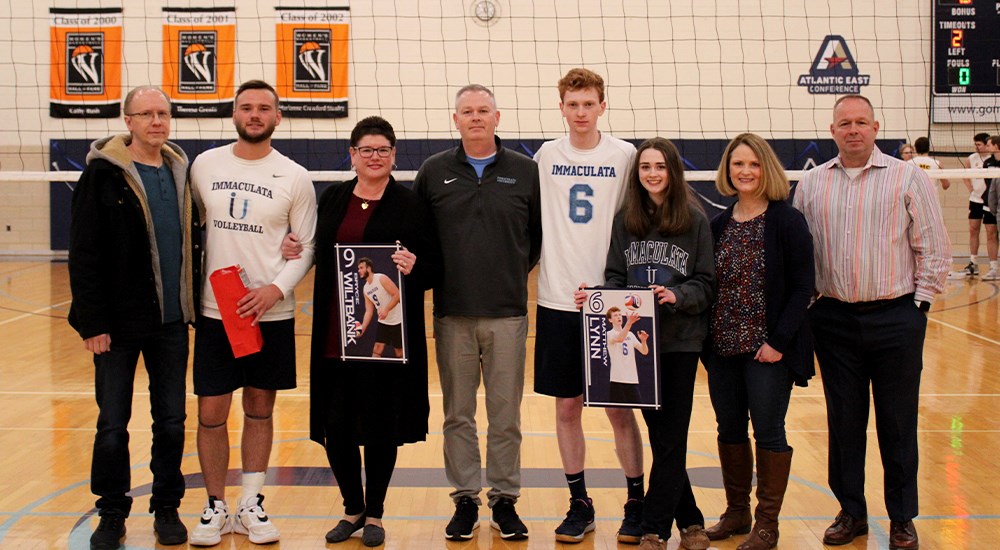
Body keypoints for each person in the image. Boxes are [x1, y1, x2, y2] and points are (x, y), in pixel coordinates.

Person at [793, 95, 950, 550]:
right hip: (834, 319)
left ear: (876, 127)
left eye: (862, 122)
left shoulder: (906, 178)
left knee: (898, 423)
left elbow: (934, 248)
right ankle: (851, 512)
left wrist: (917, 308)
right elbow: (801, 254)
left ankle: (902, 518)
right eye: (845, 123)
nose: (854, 129)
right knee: (844, 423)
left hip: (896, 317)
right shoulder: (812, 184)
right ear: (833, 129)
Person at [298, 116, 440, 547]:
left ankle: (375, 512)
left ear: (394, 155)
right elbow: (317, 250)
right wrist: (294, 247)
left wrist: (416, 268)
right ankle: (352, 507)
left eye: (382, 150)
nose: (374, 157)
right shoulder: (334, 198)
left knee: (381, 424)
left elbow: (434, 264)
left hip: (387, 341)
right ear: (353, 155)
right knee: (334, 425)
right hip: (336, 332)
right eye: (366, 150)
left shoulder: (410, 203)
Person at [188, 80, 317, 546]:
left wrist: (274, 289)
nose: (255, 114)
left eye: (265, 108)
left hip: (270, 314)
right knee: (211, 411)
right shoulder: (204, 165)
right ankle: (216, 506)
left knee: (260, 407)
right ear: (235, 113)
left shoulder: (295, 176)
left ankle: (251, 503)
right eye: (247, 107)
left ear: (278, 117)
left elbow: (306, 248)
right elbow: (189, 228)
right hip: (214, 313)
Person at [68, 85, 197, 550]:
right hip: (116, 327)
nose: (156, 122)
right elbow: (82, 254)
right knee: (112, 423)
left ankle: (167, 506)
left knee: (171, 421)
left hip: (170, 323)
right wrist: (93, 323)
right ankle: (111, 512)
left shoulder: (182, 171)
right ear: (128, 121)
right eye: (145, 114)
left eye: (162, 113)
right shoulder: (102, 176)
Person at [413, 84, 542, 541]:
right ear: (456, 119)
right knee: (458, 414)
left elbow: (536, 240)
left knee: (506, 416)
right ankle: (465, 499)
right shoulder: (433, 172)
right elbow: (418, 239)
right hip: (452, 314)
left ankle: (505, 500)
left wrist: (505, 274)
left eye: (483, 110)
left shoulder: (526, 172)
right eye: (467, 111)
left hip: (507, 313)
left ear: (497, 117)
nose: (475, 118)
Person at [579, 137, 715, 550]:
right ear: (637, 175)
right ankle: (691, 522)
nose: (652, 173)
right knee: (665, 440)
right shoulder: (627, 220)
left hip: (680, 343)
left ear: (673, 171)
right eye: (645, 167)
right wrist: (598, 297)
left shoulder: (695, 220)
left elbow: (707, 283)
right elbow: (617, 277)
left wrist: (679, 295)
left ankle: (655, 528)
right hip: (640, 348)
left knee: (671, 438)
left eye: (660, 166)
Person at [530, 68, 645, 544]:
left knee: (620, 411)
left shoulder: (626, 155)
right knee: (567, 407)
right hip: (558, 300)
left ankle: (636, 502)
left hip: (611, 302)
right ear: (561, 107)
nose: (580, 112)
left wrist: (617, 290)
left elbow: (640, 222)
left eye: (588, 103)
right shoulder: (545, 156)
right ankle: (579, 502)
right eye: (572, 104)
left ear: (603, 105)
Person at [703, 133, 815, 550]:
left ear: (765, 168)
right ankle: (736, 513)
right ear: (727, 171)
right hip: (723, 348)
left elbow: (804, 285)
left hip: (768, 350)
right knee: (728, 429)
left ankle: (767, 523)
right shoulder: (719, 223)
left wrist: (779, 342)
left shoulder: (787, 220)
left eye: (752, 164)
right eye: (737, 165)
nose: (745, 172)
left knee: (768, 431)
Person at [960, 133, 996, 278]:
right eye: (975, 144)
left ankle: (993, 265)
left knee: (991, 233)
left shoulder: (993, 159)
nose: (976, 147)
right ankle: (973, 262)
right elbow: (964, 173)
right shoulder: (972, 158)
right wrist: (970, 188)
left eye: (979, 144)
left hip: (989, 200)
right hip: (975, 199)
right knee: (973, 229)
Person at [357, 257, 404, 358]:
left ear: (368, 268)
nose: (359, 271)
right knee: (377, 349)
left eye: (361, 268)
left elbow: (397, 295)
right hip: (383, 321)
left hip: (397, 320)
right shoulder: (365, 288)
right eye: (358, 268)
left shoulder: (381, 278)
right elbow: (369, 311)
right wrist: (362, 328)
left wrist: (386, 309)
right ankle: (375, 372)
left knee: (399, 353)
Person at [605, 306, 650, 404]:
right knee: (618, 411)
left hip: (632, 379)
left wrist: (643, 341)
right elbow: (620, 338)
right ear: (610, 320)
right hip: (617, 379)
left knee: (638, 407)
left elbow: (644, 351)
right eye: (615, 315)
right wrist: (629, 322)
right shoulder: (609, 334)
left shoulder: (630, 335)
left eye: (620, 314)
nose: (619, 317)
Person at [983, 136, 1000, 280]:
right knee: (991, 234)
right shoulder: (987, 162)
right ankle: (993, 268)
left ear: (996, 146)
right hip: (990, 203)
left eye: (989, 145)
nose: (986, 148)